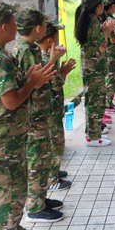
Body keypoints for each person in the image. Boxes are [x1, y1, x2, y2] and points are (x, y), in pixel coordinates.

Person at [0, 1, 56, 230]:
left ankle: (12, 227)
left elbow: (5, 92)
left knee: (14, 190)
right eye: (12, 20)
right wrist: (32, 82)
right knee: (9, 193)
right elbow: (10, 102)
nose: (16, 24)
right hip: (3, 140)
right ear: (3, 27)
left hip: (5, 138)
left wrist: (26, 78)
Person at [14, 8, 68, 223]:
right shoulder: (26, 51)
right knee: (36, 161)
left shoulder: (29, 49)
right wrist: (52, 60)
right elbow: (38, 80)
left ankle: (41, 199)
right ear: (38, 29)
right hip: (32, 116)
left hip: (39, 113)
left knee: (43, 159)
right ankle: (35, 208)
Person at [36, 20, 76, 191]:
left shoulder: (47, 56)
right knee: (55, 144)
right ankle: (52, 180)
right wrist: (64, 73)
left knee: (55, 142)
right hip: (50, 109)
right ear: (49, 41)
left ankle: (54, 172)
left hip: (52, 108)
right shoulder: (47, 58)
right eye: (56, 36)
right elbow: (56, 85)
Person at [75, 0, 115, 146]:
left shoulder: (94, 20)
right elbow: (102, 48)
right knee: (95, 102)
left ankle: (94, 134)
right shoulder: (93, 23)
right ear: (96, 6)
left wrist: (108, 29)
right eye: (101, 4)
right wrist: (106, 32)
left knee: (95, 101)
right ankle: (93, 137)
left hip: (94, 67)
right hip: (93, 69)